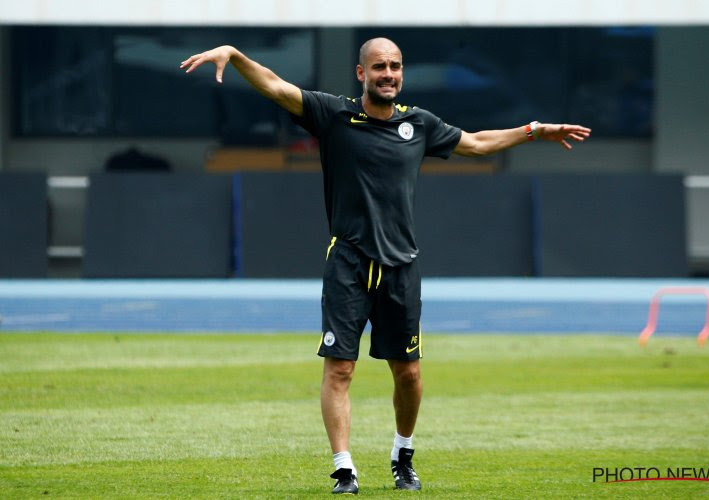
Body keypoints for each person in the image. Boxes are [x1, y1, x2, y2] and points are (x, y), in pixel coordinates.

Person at [181, 38, 590, 495]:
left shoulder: (420, 124)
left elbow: (477, 144)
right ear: (361, 74)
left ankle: (403, 454)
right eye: (379, 67)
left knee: (409, 373)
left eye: (395, 67)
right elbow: (277, 88)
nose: (388, 74)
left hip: (401, 268)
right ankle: (343, 469)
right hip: (348, 264)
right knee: (339, 370)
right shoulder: (333, 115)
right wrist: (235, 56)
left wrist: (535, 129)